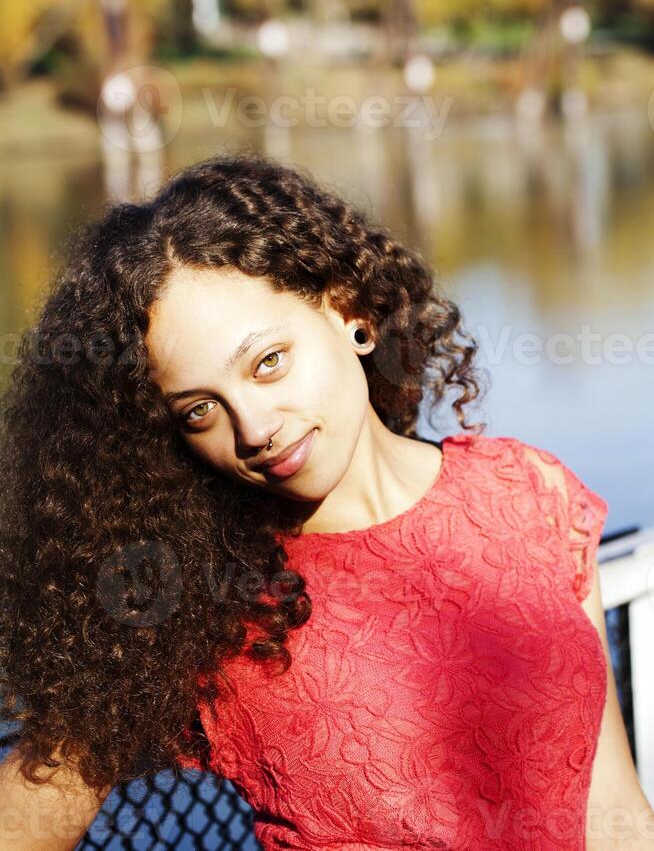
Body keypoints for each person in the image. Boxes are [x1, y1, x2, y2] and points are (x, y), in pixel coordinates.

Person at [0, 149, 651, 850]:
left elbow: (612, 810)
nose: (254, 428)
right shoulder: (201, 598)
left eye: (267, 362)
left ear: (346, 310)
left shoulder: (530, 494)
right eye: (198, 411)